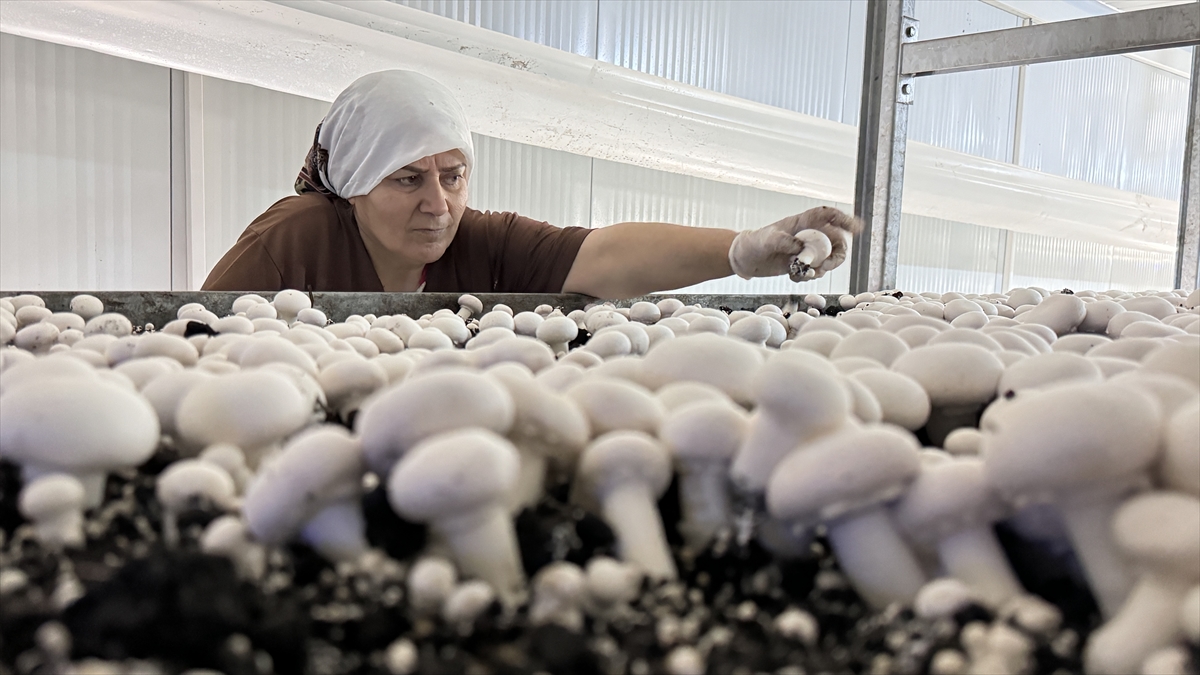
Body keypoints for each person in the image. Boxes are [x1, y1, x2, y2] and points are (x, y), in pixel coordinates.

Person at [202, 70, 860, 299]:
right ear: (355, 183)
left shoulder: (479, 243)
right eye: (407, 179)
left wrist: (742, 251)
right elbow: (196, 344)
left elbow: (605, 254)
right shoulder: (293, 241)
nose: (439, 204)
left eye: (453, 176)